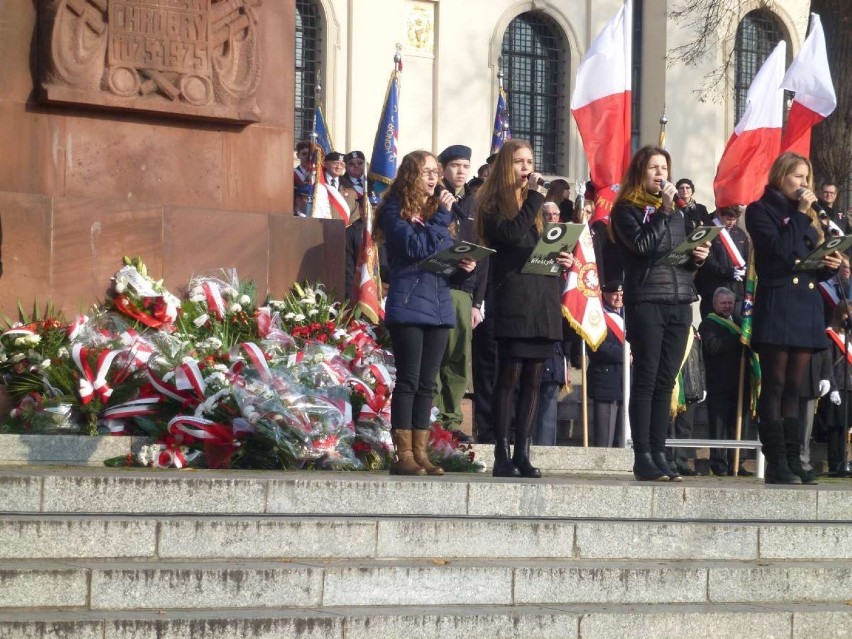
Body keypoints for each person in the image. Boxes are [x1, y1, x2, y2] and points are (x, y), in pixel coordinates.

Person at [373, 150, 476, 476]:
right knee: (410, 381)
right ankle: (403, 454)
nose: (434, 178)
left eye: (435, 172)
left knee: (428, 384)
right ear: (410, 175)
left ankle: (421, 452)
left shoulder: (436, 213)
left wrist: (462, 267)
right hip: (408, 305)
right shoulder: (394, 210)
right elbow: (415, 249)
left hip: (439, 306)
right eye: (427, 172)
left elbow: (438, 259)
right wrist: (441, 218)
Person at [610, 145, 710, 481]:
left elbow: (677, 258)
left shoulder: (680, 214)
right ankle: (643, 456)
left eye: (664, 168)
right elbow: (641, 246)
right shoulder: (626, 209)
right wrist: (665, 213)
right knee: (647, 379)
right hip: (647, 300)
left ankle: (660, 452)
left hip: (680, 300)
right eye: (653, 168)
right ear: (640, 172)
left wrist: (696, 256)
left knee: (666, 382)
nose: (660, 174)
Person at [745, 151, 842, 484]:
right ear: (781, 176)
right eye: (798, 177)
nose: (804, 185)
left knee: (797, 388)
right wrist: (800, 215)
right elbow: (780, 253)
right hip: (779, 301)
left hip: (805, 304)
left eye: (807, 178)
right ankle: (776, 461)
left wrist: (827, 264)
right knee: (775, 382)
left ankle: (794, 458)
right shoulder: (761, 211)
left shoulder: (811, 215)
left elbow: (806, 257)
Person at [477, 139, 572, 478]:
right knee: (510, 378)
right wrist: (534, 198)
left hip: (542, 299)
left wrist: (564, 258)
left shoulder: (536, 209)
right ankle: (501, 452)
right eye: (519, 162)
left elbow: (536, 248)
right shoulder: (493, 204)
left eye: (530, 161)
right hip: (515, 299)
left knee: (534, 379)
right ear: (507, 165)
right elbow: (512, 236)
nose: (527, 168)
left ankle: (523, 452)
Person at [433, 145, 481, 434]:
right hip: (439, 286)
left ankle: (452, 420)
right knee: (437, 356)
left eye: (465, 166)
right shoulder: (435, 199)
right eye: (455, 166)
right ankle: (434, 420)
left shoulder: (474, 203)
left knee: (459, 359)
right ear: (443, 168)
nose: (461, 172)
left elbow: (480, 246)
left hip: (464, 291)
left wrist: (477, 299)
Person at [698, 287, 754, 477]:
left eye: (730, 303)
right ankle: (718, 462)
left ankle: (737, 462)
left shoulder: (740, 322)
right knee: (719, 425)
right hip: (719, 382)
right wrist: (738, 339)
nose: (727, 306)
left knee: (739, 423)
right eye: (723, 303)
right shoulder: (708, 323)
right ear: (715, 305)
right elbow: (712, 347)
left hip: (740, 382)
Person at [534, 202, 570, 446]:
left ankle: (546, 445)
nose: (552, 218)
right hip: (533, 324)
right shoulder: (533, 241)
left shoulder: (567, 248)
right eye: (547, 215)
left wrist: (568, 268)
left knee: (548, 393)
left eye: (555, 214)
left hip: (556, 331)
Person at [587, 281, 626, 448]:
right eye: (615, 294)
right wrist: (625, 354)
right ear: (605, 295)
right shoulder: (597, 316)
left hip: (625, 380)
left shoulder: (627, 316)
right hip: (605, 378)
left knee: (623, 436)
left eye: (622, 295)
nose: (619, 298)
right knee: (605, 437)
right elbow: (597, 346)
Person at [695, 205, 749, 317]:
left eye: (734, 219)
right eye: (729, 219)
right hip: (714, 290)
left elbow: (746, 255)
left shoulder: (740, 233)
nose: (732, 222)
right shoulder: (708, 231)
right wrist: (728, 271)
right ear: (719, 214)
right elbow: (708, 260)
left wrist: (745, 269)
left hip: (736, 291)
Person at [821, 301, 850, 476]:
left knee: (846, 426)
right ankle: (835, 463)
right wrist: (832, 387)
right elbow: (828, 364)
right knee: (836, 427)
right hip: (837, 386)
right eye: (847, 313)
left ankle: (845, 461)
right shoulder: (831, 336)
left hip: (850, 386)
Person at [323, 152, 359, 222]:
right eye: (335, 163)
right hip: (320, 229)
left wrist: (347, 231)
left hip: (343, 231)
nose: (338, 167)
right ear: (325, 164)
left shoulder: (349, 187)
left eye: (342, 164)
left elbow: (355, 216)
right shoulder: (317, 183)